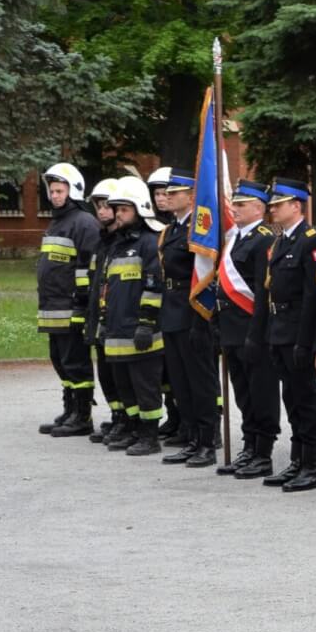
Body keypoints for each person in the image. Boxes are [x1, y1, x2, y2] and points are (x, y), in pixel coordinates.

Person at [261, 177, 316, 492]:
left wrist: (306, 341)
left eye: (278, 204)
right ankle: (298, 460)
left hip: (298, 331)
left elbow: (313, 295)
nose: (272, 209)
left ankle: (311, 465)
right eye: (271, 205)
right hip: (280, 329)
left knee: (305, 398)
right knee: (291, 398)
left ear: (296, 205)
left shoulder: (310, 239)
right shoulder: (283, 240)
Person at [216, 182, 281, 479]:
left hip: (252, 331)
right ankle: (249, 444)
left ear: (259, 208)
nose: (235, 209)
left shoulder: (263, 240)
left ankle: (263, 452)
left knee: (261, 392)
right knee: (243, 393)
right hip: (231, 330)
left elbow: (262, 292)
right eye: (235, 204)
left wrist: (256, 334)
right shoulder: (235, 239)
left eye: (241, 205)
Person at [156, 168, 221, 468]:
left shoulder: (202, 228)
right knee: (181, 382)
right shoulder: (170, 230)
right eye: (167, 193)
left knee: (200, 380)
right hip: (171, 309)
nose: (168, 197)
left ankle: (207, 441)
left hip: (193, 308)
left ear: (191, 196)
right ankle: (192, 437)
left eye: (174, 193)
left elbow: (207, 271)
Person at [98, 177, 168, 457]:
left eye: (124, 209)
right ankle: (136, 429)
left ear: (139, 208)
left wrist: (146, 324)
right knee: (126, 387)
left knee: (146, 387)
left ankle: (150, 436)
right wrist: (103, 321)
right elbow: (106, 288)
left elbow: (154, 286)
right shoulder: (116, 245)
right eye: (117, 209)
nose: (118, 214)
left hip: (141, 332)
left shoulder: (149, 243)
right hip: (116, 331)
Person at [33, 164, 101, 436]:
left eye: (60, 190)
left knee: (75, 361)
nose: (55, 195)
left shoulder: (84, 223)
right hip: (52, 306)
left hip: (70, 306)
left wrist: (80, 307)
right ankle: (70, 409)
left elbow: (88, 268)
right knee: (60, 359)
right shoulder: (57, 222)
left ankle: (83, 417)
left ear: (73, 191)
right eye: (52, 190)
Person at [84, 181, 126, 443]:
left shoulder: (122, 242)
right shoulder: (102, 241)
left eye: (107, 206)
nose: (102, 211)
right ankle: (117, 415)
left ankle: (126, 419)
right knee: (106, 373)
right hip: (99, 316)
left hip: (118, 319)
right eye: (98, 206)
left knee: (119, 372)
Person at [147, 168, 185, 444]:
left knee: (190, 374)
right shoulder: (166, 229)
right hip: (168, 307)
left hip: (185, 309)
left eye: (167, 193)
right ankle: (179, 421)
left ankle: (197, 430)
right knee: (172, 373)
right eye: (158, 194)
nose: (162, 199)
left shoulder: (187, 228)